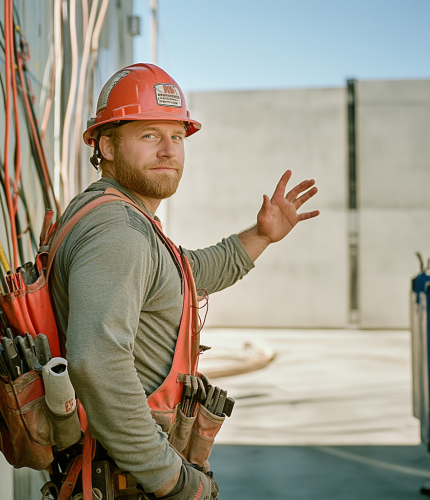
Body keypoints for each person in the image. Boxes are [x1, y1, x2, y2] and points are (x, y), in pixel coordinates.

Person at [50, 63, 319, 499]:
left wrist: (261, 236)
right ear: (107, 146)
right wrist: (170, 478)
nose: (169, 151)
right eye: (149, 135)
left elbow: (183, 273)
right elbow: (96, 363)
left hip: (120, 469)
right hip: (127, 478)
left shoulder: (118, 216)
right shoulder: (118, 230)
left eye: (176, 136)